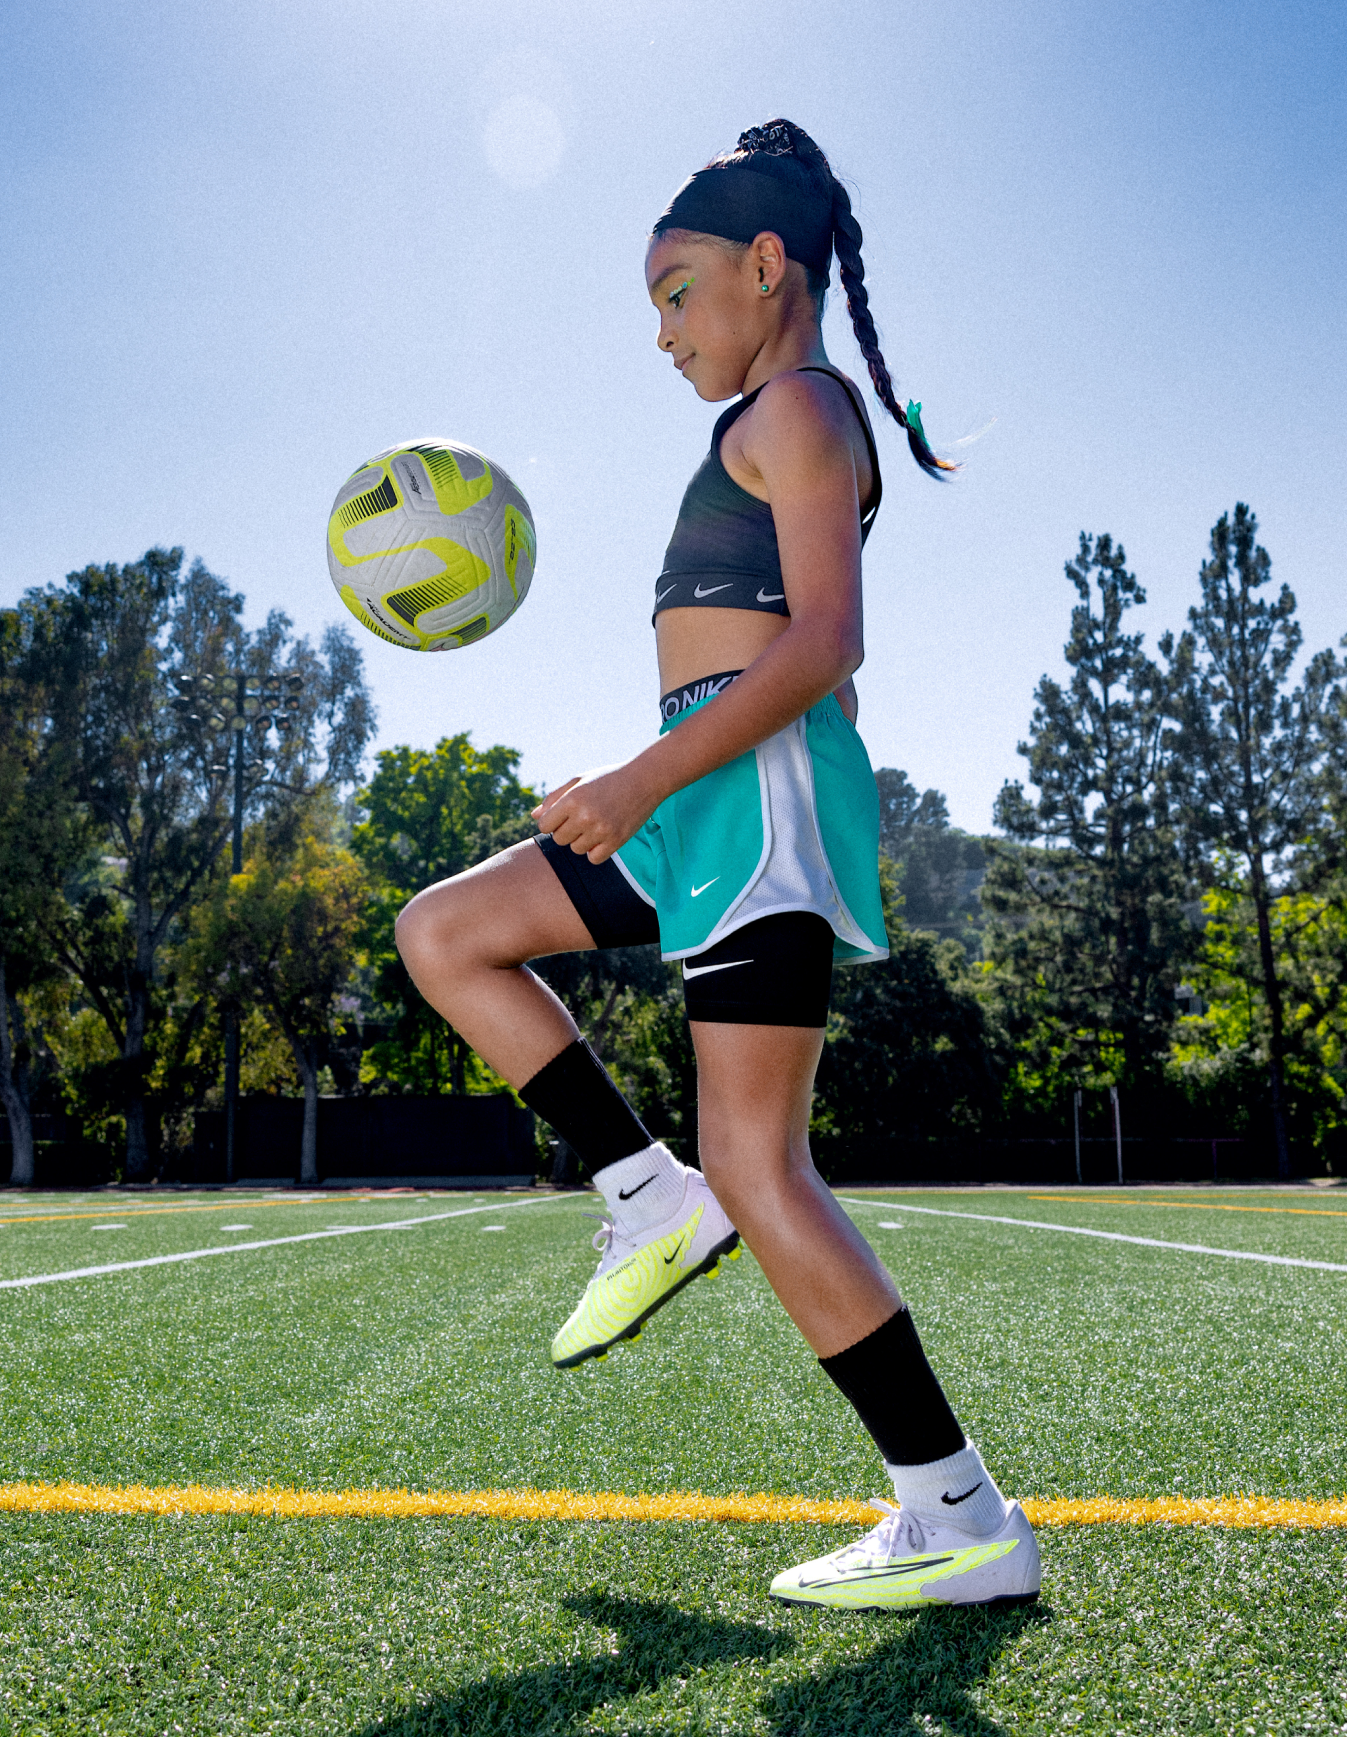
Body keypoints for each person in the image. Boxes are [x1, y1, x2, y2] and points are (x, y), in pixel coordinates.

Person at [394, 119, 1038, 1611]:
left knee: (763, 1163)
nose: (665, 332)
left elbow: (824, 642)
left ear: (767, 268)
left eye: (678, 293)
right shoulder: (764, 421)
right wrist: (660, 772)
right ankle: (642, 1192)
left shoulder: (799, 408)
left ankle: (959, 1519)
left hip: (737, 800)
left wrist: (636, 780)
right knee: (447, 936)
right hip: (705, 792)